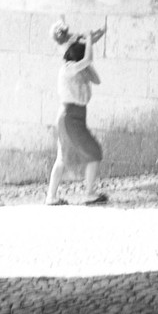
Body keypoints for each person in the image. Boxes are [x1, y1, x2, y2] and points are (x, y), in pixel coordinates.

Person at [46, 20, 107, 206]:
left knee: (63, 158)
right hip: (71, 116)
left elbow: (96, 79)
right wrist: (88, 41)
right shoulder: (68, 69)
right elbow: (87, 59)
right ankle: (89, 193)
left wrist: (93, 37)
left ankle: (51, 197)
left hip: (73, 116)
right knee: (94, 152)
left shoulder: (77, 68)